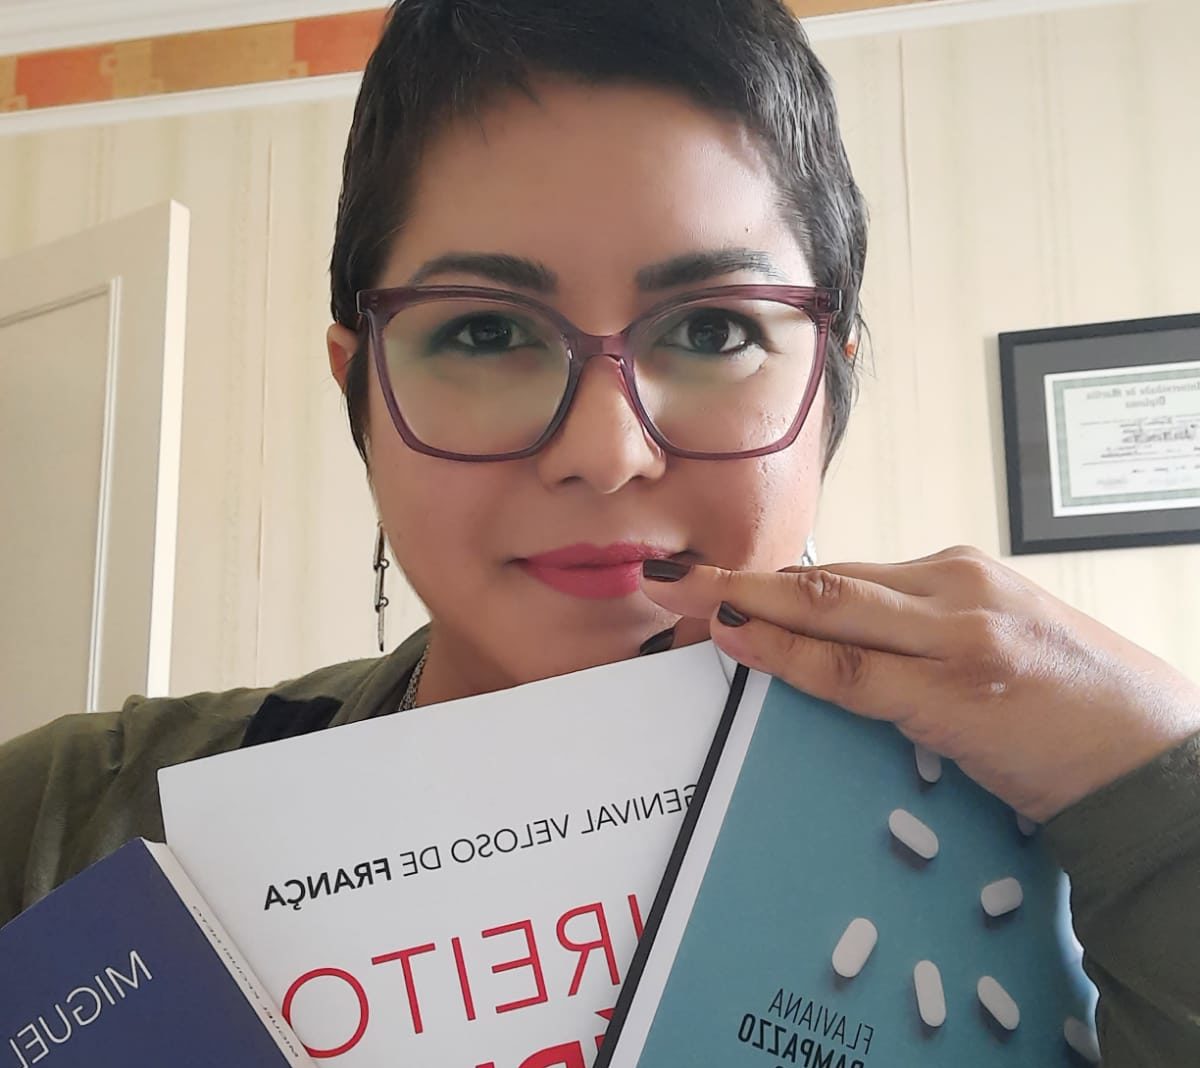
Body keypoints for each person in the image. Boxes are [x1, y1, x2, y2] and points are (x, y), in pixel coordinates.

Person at [2, 0, 1197, 1060]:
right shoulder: (63, 826)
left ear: (831, 381)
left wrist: (1166, 784)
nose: (606, 449)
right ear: (357, 388)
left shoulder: (1075, 868)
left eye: (715, 329)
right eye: (485, 331)